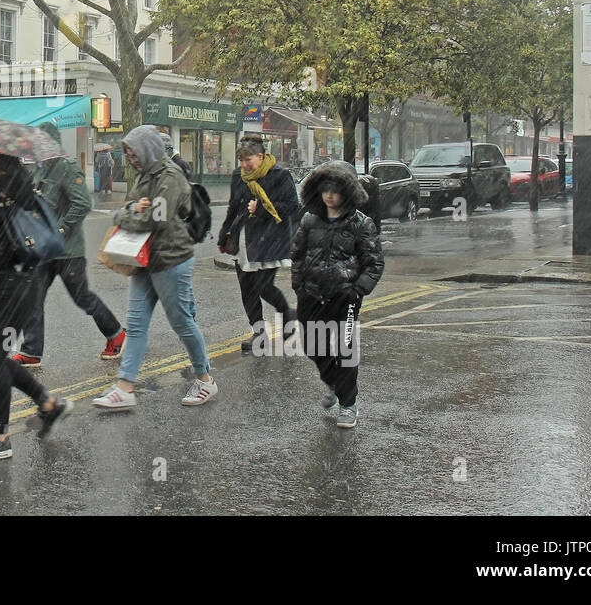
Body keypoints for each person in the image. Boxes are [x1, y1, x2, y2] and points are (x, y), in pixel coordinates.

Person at [0, 148, 73, 464]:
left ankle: (1, 437)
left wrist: (0, 165)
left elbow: (18, 187)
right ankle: (47, 404)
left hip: (19, 285)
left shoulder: (12, 188)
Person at [92, 125, 217, 410]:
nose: (131, 158)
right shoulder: (144, 176)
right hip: (144, 260)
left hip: (171, 260)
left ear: (148, 149)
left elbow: (155, 219)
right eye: (127, 153)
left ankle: (205, 379)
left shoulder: (170, 177)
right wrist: (130, 211)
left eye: (133, 152)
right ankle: (124, 387)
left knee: (182, 323)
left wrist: (128, 215)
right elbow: (131, 208)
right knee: (135, 325)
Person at [13, 123, 125, 368]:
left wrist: (60, 229)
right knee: (32, 297)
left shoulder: (66, 167)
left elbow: (82, 203)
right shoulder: (41, 170)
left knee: (82, 297)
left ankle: (115, 334)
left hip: (67, 251)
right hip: (44, 249)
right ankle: (31, 351)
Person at [292, 160, 384, 429]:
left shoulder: (361, 224)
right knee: (313, 346)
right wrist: (299, 285)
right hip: (311, 295)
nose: (329, 195)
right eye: (324, 189)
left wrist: (356, 291)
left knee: (345, 351)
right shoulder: (310, 220)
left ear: (348, 191)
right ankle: (334, 382)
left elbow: (374, 263)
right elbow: (297, 254)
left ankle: (348, 403)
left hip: (345, 298)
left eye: (335, 190)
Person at [217, 135, 300, 354]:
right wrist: (224, 232)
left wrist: (262, 209)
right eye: (241, 161)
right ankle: (259, 332)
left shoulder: (280, 175)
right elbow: (234, 207)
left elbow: (293, 206)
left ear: (261, 156)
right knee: (247, 289)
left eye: (248, 160)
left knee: (263, 287)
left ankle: (287, 314)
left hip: (270, 239)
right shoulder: (239, 176)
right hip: (243, 240)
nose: (244, 166)